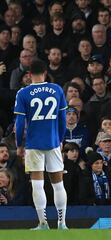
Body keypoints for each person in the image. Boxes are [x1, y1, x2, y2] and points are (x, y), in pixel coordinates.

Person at [14, 59, 68, 230]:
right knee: (58, 184)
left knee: (37, 184)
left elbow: (20, 123)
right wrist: (59, 140)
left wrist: (19, 145)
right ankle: (62, 223)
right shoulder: (57, 89)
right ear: (45, 72)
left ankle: (43, 223)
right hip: (53, 143)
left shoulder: (23, 93)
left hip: (33, 144)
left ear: (29, 75)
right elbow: (63, 120)